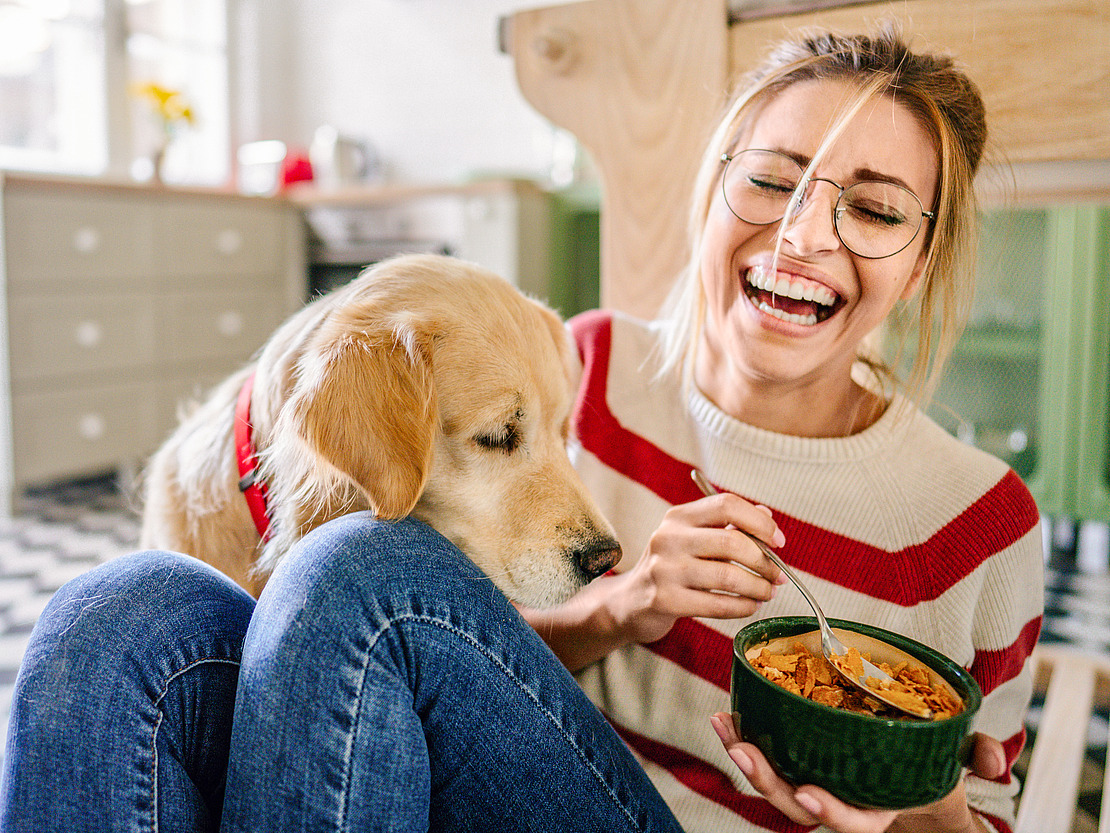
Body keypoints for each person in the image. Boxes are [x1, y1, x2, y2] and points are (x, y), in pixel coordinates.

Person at [0, 21, 1042, 833]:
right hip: (451, 783)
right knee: (116, 609)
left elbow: (980, 813)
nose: (806, 231)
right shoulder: (571, 362)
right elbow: (435, 659)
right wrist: (617, 606)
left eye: (875, 207)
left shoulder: (979, 523)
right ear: (713, 188)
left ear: (923, 257)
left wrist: (917, 804)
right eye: (772, 177)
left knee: (356, 565)